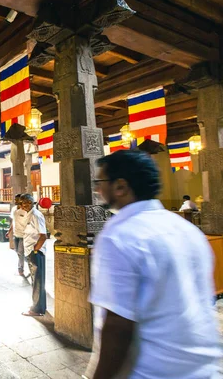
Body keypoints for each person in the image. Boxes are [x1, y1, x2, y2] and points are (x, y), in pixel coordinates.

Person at [88, 150, 220, 379]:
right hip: (205, 368)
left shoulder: (120, 235)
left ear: (120, 187)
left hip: (155, 370)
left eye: (100, 182)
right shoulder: (188, 230)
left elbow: (118, 325)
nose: (97, 189)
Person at [18, 194, 47, 316]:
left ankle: (36, 309)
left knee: (37, 281)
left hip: (36, 252)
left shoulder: (36, 215)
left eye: (26, 203)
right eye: (22, 203)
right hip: (30, 250)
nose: (23, 206)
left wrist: (35, 250)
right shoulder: (28, 214)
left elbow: (43, 235)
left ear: (32, 202)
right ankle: (39, 306)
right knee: (36, 280)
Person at [7, 194, 28, 277]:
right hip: (16, 234)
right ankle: (27, 262)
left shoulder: (26, 210)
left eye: (17, 200)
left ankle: (20, 269)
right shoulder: (14, 209)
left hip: (24, 234)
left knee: (20, 252)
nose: (15, 201)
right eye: (15, 199)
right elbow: (13, 221)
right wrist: (9, 230)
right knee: (18, 251)